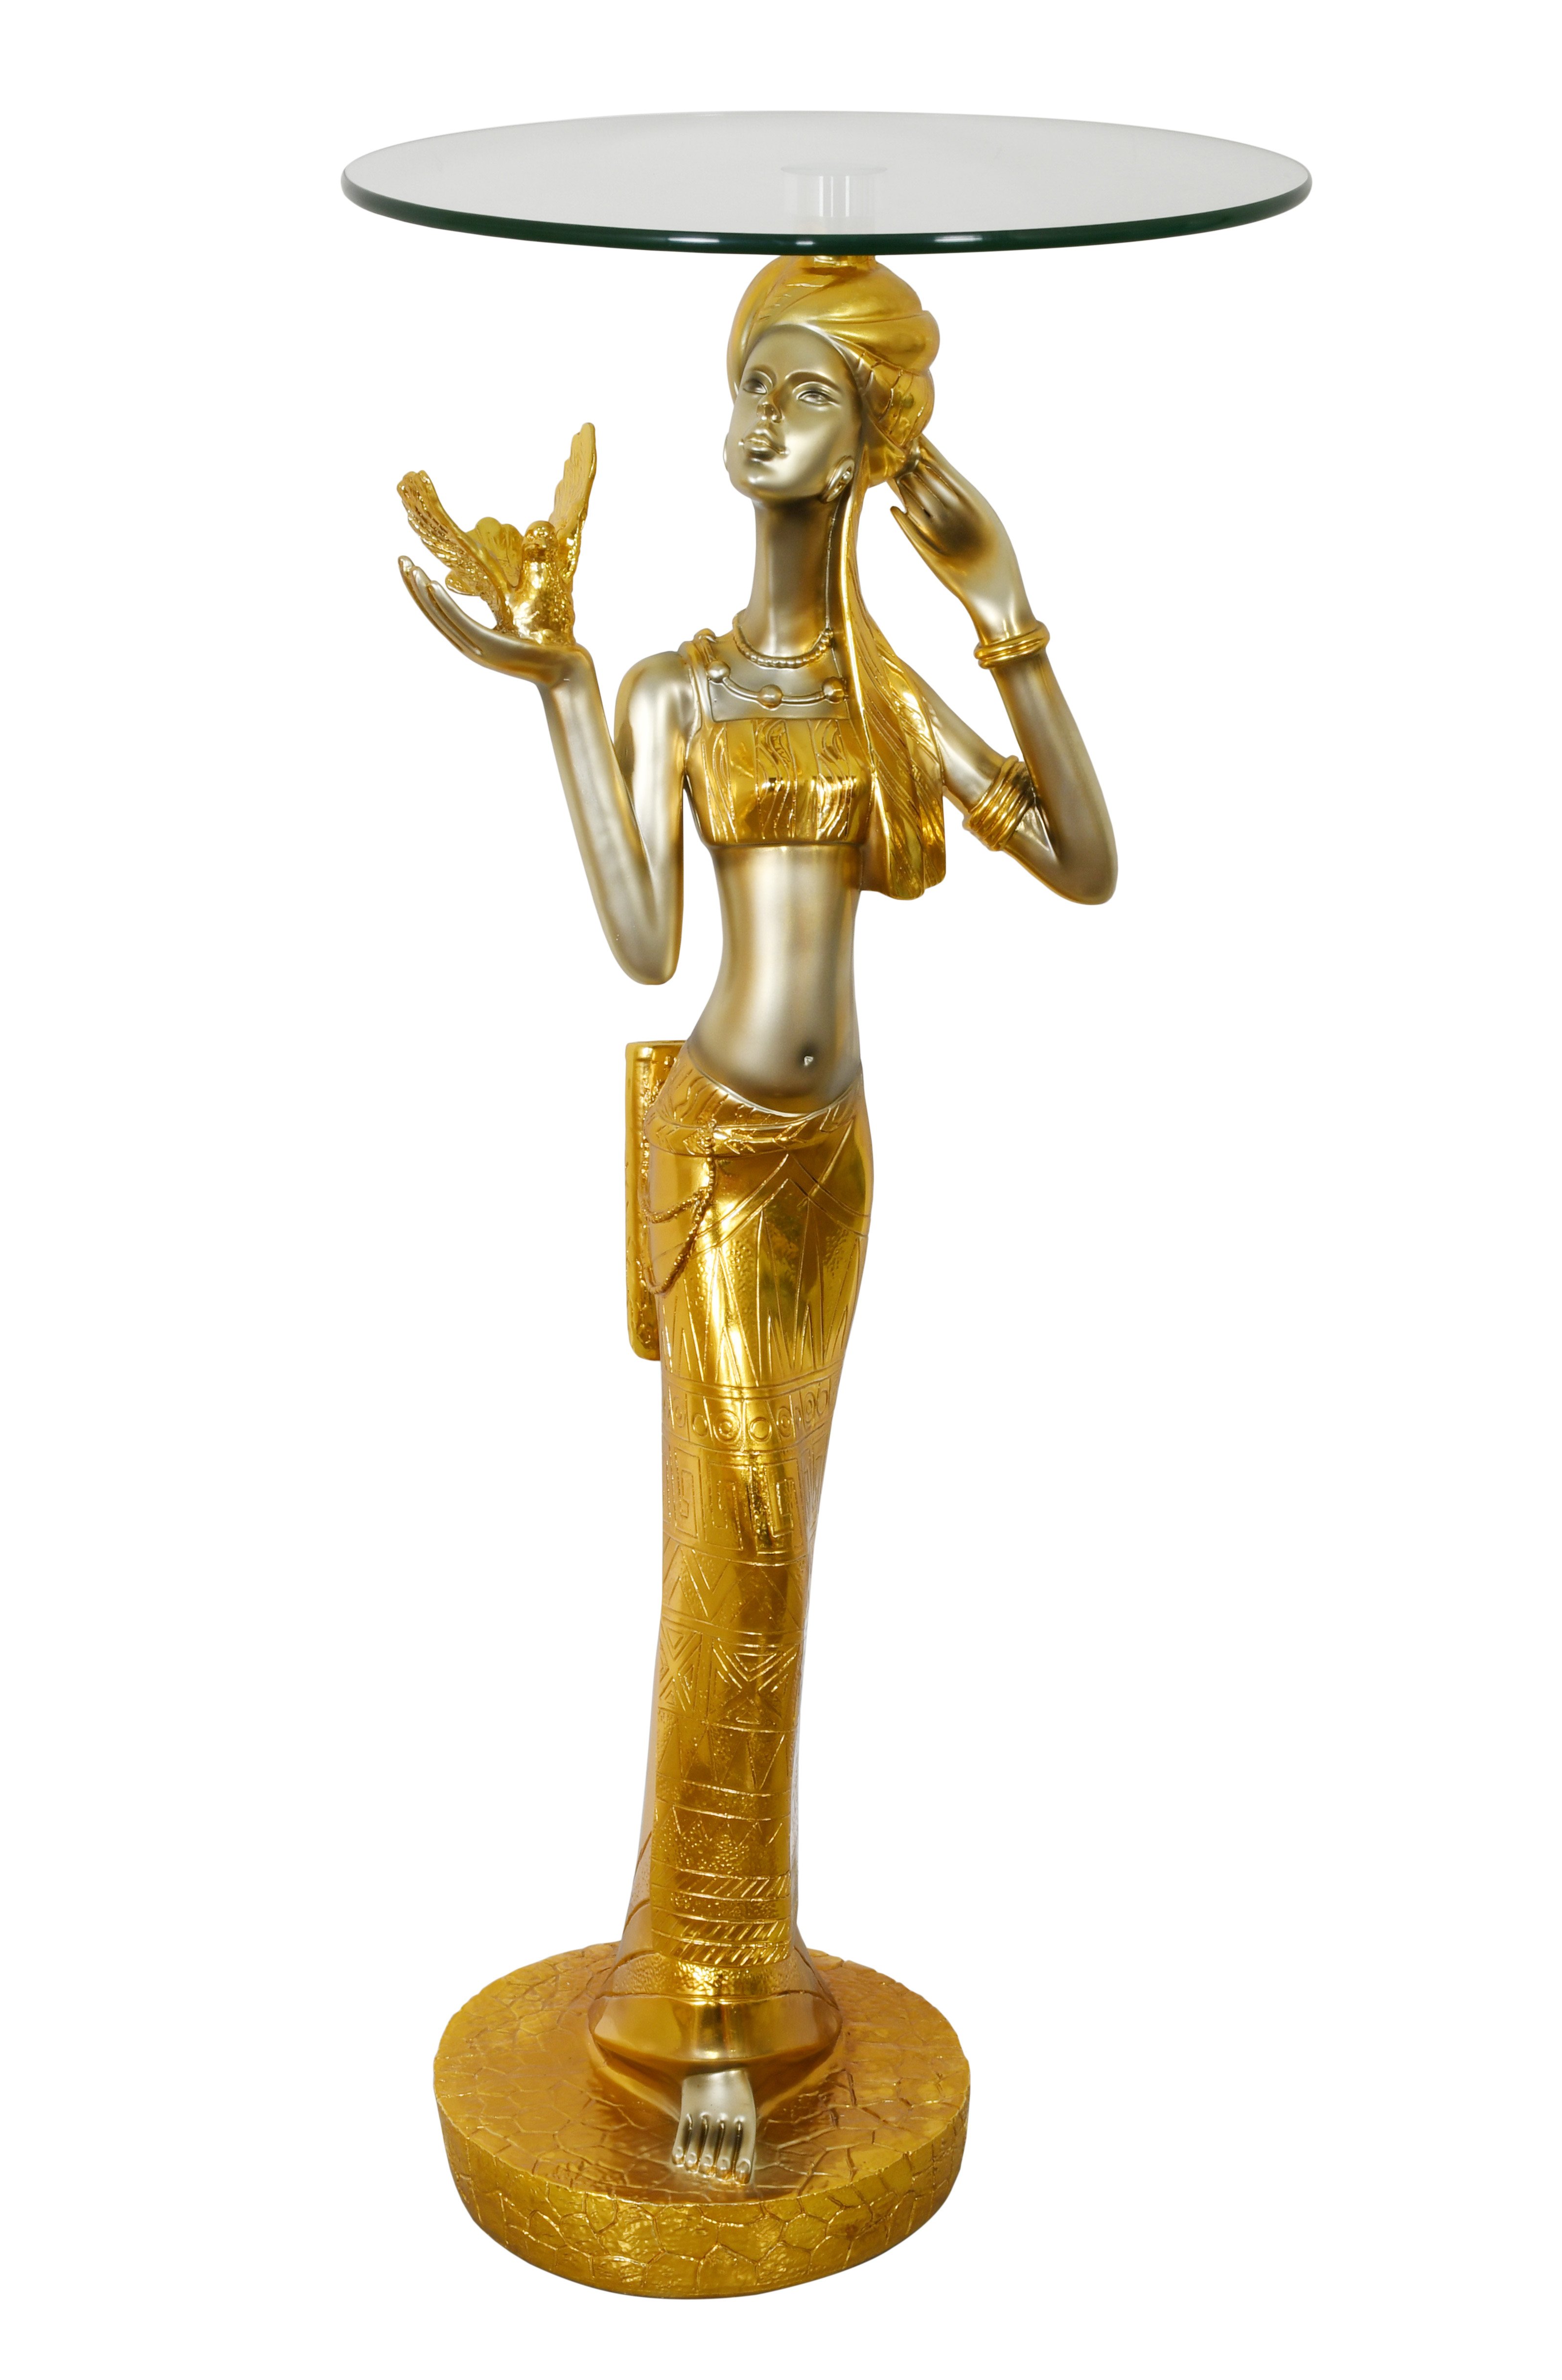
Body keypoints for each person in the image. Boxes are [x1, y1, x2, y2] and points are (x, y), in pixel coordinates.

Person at [401, 253, 1116, 2184]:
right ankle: (699, 2005)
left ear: (876, 443)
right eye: (749, 381)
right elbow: (644, 937)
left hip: (835, 1166)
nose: (758, 418)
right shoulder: (685, 685)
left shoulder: (877, 698)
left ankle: (739, 1984)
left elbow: (1083, 858)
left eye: (805, 392)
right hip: (719, 1149)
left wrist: (1004, 612)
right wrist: (561, 684)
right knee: (742, 1554)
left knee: (772, 1563)